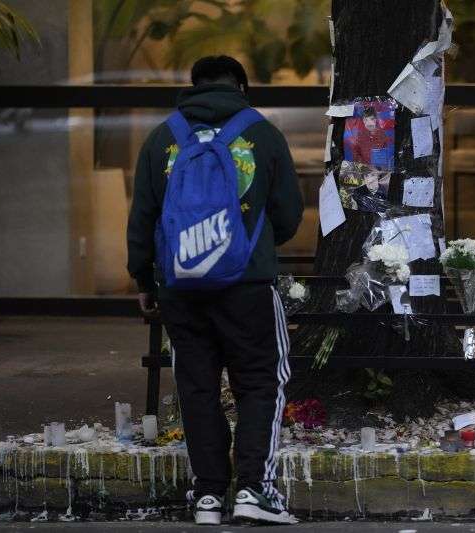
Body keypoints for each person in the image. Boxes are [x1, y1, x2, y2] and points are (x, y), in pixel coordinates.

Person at [126, 55, 303, 525]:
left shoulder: (163, 137)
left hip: (181, 288)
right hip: (248, 285)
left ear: (193, 86)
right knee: (261, 382)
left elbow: (142, 216)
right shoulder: (262, 133)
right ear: (241, 87)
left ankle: (207, 495)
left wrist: (144, 279)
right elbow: (288, 213)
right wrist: (250, 246)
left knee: (197, 388)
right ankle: (253, 491)